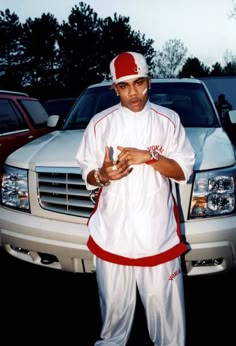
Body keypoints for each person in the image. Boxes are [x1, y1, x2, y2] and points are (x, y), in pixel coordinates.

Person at [76, 51, 195, 346]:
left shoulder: (168, 121)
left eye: (139, 83)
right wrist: (102, 175)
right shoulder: (99, 124)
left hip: (157, 236)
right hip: (112, 235)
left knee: (169, 326)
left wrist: (149, 157)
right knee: (113, 323)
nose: (134, 93)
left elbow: (182, 171)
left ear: (149, 82)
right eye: (125, 86)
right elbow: (88, 174)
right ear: (114, 88)